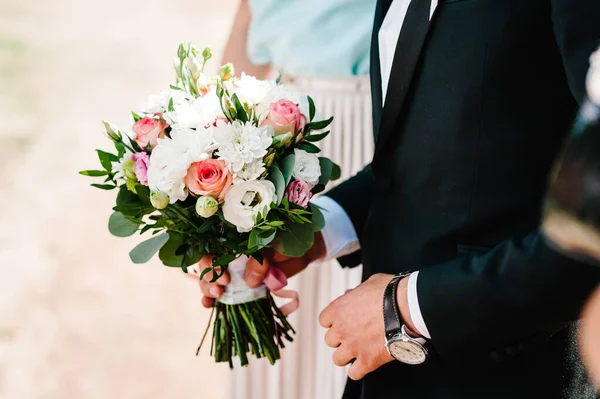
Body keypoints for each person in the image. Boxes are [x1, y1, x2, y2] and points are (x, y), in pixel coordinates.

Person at [201, 0, 600, 398]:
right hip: (385, 367)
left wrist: (406, 307)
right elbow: (420, 157)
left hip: (510, 367)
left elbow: (588, 226)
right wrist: (311, 230)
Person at [205, 1, 376, 398]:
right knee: (265, 277)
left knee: (352, 301)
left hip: (375, 119)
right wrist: (216, 139)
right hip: (284, 120)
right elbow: (249, 15)